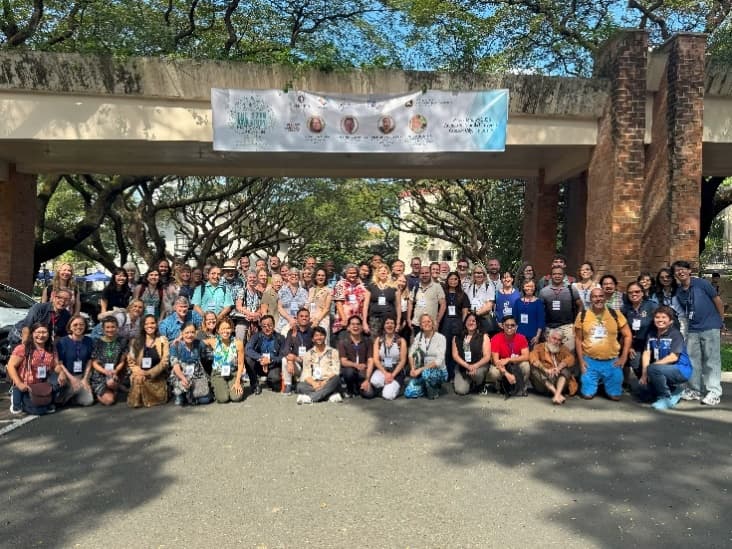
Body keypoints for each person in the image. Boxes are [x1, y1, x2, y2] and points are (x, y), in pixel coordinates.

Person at [673, 260, 724, 406]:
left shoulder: (702, 284)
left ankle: (714, 392)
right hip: (693, 329)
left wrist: (720, 321)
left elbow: (717, 300)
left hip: (710, 326)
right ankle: (694, 390)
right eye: (677, 270)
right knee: (693, 360)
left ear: (689, 271)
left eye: (683, 269)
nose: (680, 272)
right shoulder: (679, 292)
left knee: (711, 360)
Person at [575, 288, 631, 401]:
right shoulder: (582, 315)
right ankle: (596, 383)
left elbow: (628, 335)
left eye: (601, 296)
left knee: (615, 397)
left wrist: (624, 357)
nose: (598, 299)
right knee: (587, 395)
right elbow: (578, 339)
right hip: (590, 361)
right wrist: (581, 362)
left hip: (612, 361)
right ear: (590, 299)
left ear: (605, 298)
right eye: (595, 296)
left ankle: (605, 384)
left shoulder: (615, 314)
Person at [640, 306, 693, 410]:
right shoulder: (651, 334)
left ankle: (666, 398)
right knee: (643, 392)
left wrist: (652, 367)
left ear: (671, 321)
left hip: (680, 370)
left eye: (664, 317)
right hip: (662, 368)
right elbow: (646, 353)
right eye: (657, 317)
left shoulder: (675, 334)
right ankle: (675, 390)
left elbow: (673, 357)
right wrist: (644, 374)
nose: (660, 320)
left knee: (653, 369)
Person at [7, 323, 60, 415]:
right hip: (26, 386)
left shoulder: (51, 349)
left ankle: (45, 401)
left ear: (49, 334)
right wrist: (19, 383)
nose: (41, 335)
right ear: (32, 333)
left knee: (57, 382)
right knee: (38, 411)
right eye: (38, 332)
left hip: (42, 384)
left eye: (44, 332)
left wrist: (62, 374)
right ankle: (16, 400)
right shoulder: (23, 348)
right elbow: (11, 366)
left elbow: (56, 366)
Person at [127, 315, 170, 408]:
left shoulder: (163, 340)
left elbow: (164, 362)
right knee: (138, 379)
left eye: (152, 323)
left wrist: (148, 373)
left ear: (156, 325)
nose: (149, 326)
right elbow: (131, 361)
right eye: (146, 324)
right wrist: (139, 372)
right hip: (139, 375)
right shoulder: (135, 341)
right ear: (143, 326)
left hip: (156, 376)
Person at [54, 314, 95, 407]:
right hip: (67, 375)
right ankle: (64, 396)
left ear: (85, 326)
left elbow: (89, 361)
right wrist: (72, 379)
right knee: (61, 398)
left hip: (81, 375)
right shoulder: (63, 342)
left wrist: (85, 379)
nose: (78, 327)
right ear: (70, 327)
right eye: (75, 325)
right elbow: (60, 363)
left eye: (81, 324)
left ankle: (73, 396)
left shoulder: (89, 341)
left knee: (88, 401)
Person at [621, 281, 656, 388]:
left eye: (637, 291)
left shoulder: (651, 306)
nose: (634, 294)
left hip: (649, 343)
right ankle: (645, 386)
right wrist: (629, 346)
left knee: (651, 367)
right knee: (636, 364)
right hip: (634, 344)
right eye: (630, 292)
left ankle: (655, 386)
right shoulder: (625, 309)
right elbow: (623, 330)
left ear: (642, 293)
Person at [539, 266, 582, 352]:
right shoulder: (544, 292)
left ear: (563, 275)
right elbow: (540, 310)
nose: (557, 276)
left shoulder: (571, 289)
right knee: (551, 353)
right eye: (554, 274)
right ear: (551, 276)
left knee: (568, 352)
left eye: (560, 274)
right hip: (550, 327)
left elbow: (580, 305)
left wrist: (577, 320)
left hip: (567, 327)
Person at [405, 314, 447, 399]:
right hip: (422, 371)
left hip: (438, 370)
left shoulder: (441, 338)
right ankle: (425, 387)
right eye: (423, 322)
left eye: (429, 321)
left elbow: (439, 361)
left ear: (433, 323)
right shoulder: (419, 336)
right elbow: (411, 353)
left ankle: (435, 389)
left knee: (426, 374)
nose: (426, 323)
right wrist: (412, 368)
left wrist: (420, 370)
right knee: (409, 393)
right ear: (420, 325)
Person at [203, 318, 246, 403]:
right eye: (222, 328)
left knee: (236, 397)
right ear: (218, 330)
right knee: (223, 398)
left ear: (232, 329)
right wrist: (181, 337)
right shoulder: (214, 341)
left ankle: (237, 384)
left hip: (233, 373)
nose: (225, 331)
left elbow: (241, 364)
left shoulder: (238, 343)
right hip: (218, 373)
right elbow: (196, 342)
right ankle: (217, 386)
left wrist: (237, 381)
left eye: (228, 328)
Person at [529, 328, 576, 405]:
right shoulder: (539, 347)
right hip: (544, 384)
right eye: (554, 338)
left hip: (559, 383)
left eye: (559, 340)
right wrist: (545, 370)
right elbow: (532, 357)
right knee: (533, 367)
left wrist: (559, 367)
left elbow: (571, 358)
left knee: (566, 368)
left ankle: (557, 394)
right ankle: (556, 394)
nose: (556, 342)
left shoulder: (563, 348)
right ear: (548, 338)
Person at [296, 327, 343, 404]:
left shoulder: (333, 352)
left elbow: (336, 371)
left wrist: (324, 382)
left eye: (321, 335)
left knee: (336, 379)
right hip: (315, 382)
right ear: (312, 339)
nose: (319, 337)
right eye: (316, 335)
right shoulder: (308, 354)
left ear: (325, 337)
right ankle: (329, 395)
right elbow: (306, 373)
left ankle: (311, 398)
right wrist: (314, 384)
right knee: (300, 386)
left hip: (328, 381)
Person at [169, 322, 212, 406]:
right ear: (182, 333)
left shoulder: (199, 344)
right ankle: (182, 395)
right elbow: (175, 366)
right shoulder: (175, 345)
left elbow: (208, 355)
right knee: (180, 402)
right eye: (187, 332)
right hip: (181, 375)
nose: (190, 335)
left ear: (195, 333)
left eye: (192, 332)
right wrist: (183, 378)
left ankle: (191, 395)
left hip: (196, 375)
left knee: (205, 400)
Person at [89, 316, 128, 406]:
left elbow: (122, 361)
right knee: (109, 401)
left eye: (113, 327)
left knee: (112, 383)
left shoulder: (122, 341)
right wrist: (105, 372)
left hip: (114, 373)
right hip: (100, 374)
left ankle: (114, 387)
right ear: (103, 329)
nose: (110, 330)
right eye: (107, 327)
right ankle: (99, 392)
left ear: (117, 328)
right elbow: (94, 363)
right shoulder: (97, 342)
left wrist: (116, 371)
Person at [440, 271, 470, 381]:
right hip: (445, 323)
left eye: (455, 279)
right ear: (447, 280)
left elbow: (465, 312)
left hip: (457, 323)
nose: (453, 281)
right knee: (445, 348)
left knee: (456, 348)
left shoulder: (463, 295)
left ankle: (454, 374)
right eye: (451, 279)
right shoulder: (443, 293)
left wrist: (463, 325)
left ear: (459, 281)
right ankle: (446, 373)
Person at [452, 313, 491, 396]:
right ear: (465, 322)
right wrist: (467, 366)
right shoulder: (457, 337)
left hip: (479, 366)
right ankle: (470, 383)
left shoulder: (484, 336)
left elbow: (487, 357)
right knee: (460, 391)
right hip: (463, 367)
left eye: (473, 321)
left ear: (477, 323)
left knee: (477, 374)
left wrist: (474, 366)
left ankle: (479, 384)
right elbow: (455, 356)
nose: (471, 323)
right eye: (469, 320)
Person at [490, 315, 530, 396]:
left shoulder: (522, 338)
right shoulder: (496, 338)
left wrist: (508, 359)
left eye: (512, 325)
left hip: (515, 364)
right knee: (493, 372)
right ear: (502, 326)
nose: (509, 327)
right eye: (507, 325)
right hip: (501, 365)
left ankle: (522, 388)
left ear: (516, 327)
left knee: (526, 365)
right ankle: (499, 388)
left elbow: (526, 356)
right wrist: (507, 374)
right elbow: (496, 361)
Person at [245, 314, 286, 394]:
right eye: (264, 326)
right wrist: (261, 358)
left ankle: (270, 381)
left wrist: (270, 360)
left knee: (275, 385)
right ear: (261, 327)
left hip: (273, 365)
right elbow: (248, 349)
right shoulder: (256, 336)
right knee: (248, 358)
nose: (267, 328)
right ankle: (254, 384)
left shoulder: (280, 338)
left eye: (269, 325)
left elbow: (282, 356)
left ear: (274, 325)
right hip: (259, 365)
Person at [337, 315, 375, 398]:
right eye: (353, 324)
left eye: (358, 324)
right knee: (349, 372)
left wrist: (367, 379)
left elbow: (370, 360)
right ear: (348, 327)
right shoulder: (343, 342)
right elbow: (343, 361)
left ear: (361, 327)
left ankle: (359, 387)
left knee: (369, 394)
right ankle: (350, 389)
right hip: (350, 370)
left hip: (363, 372)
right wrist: (356, 365)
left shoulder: (368, 341)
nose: (355, 326)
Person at [370, 316, 407, 400]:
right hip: (383, 369)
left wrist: (392, 375)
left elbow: (402, 361)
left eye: (392, 323)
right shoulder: (379, 340)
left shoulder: (401, 341)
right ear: (383, 325)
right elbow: (376, 360)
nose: (389, 325)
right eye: (387, 323)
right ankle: (388, 386)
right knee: (375, 381)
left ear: (395, 325)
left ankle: (397, 387)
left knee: (388, 396)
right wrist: (386, 373)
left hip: (396, 371)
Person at [332, 264, 370, 341]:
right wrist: (344, 319)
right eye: (350, 273)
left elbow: (364, 306)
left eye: (354, 273)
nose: (352, 275)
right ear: (345, 273)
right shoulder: (340, 284)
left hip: (358, 321)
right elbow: (338, 304)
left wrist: (364, 322)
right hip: (344, 321)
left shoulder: (362, 286)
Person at [282, 308, 315, 395]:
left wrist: (304, 358)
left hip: (309, 366)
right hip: (297, 364)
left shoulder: (313, 332)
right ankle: (288, 385)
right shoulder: (292, 331)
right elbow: (286, 349)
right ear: (297, 318)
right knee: (285, 360)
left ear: (309, 318)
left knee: (303, 387)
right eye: (301, 316)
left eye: (306, 316)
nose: (304, 318)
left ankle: (300, 382)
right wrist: (290, 360)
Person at [407, 265, 446, 336]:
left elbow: (443, 304)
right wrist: (408, 319)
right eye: (422, 273)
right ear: (419, 275)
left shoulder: (437, 287)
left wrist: (437, 321)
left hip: (431, 325)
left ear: (430, 273)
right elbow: (410, 302)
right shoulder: (416, 287)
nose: (424, 275)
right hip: (417, 324)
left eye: (427, 273)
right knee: (417, 343)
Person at [366, 264, 398, 337]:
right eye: (380, 271)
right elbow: (366, 305)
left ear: (388, 273)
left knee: (388, 339)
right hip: (375, 318)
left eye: (384, 271)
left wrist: (398, 321)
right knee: (375, 340)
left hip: (389, 319)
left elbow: (398, 306)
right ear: (377, 273)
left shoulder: (394, 287)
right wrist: (364, 322)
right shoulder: (371, 286)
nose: (383, 272)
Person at [233, 270, 263, 343]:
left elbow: (260, 308)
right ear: (246, 278)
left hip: (255, 321)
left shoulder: (259, 293)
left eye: (254, 277)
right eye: (250, 277)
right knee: (240, 338)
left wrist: (256, 315)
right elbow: (238, 306)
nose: (252, 279)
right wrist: (250, 314)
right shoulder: (242, 291)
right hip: (243, 320)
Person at [464, 265, 496, 335]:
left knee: (484, 338)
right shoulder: (469, 286)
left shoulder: (489, 286)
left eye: (480, 273)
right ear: (473, 274)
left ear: (484, 274)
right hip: (471, 319)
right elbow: (465, 302)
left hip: (484, 318)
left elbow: (489, 306)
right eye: (476, 273)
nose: (478, 275)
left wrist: (475, 314)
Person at [277, 268, 310, 335]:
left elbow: (305, 307)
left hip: (300, 324)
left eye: (296, 275)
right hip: (284, 323)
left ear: (299, 277)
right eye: (291, 274)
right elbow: (280, 308)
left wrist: (298, 320)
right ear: (288, 277)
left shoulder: (304, 292)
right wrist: (290, 319)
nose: (294, 276)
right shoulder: (282, 291)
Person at [514, 279, 545, 349]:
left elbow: (541, 321)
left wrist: (537, 336)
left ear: (535, 288)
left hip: (533, 337)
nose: (529, 288)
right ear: (523, 287)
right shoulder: (518, 302)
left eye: (531, 286)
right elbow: (514, 320)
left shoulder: (538, 302)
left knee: (532, 355)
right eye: (527, 286)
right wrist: (514, 335)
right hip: (519, 336)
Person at [308, 268, 332, 337]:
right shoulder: (311, 290)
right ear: (315, 277)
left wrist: (317, 320)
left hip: (322, 320)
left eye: (323, 275)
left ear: (326, 277)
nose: (320, 277)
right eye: (318, 275)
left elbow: (327, 308)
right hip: (310, 320)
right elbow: (307, 305)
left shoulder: (329, 291)